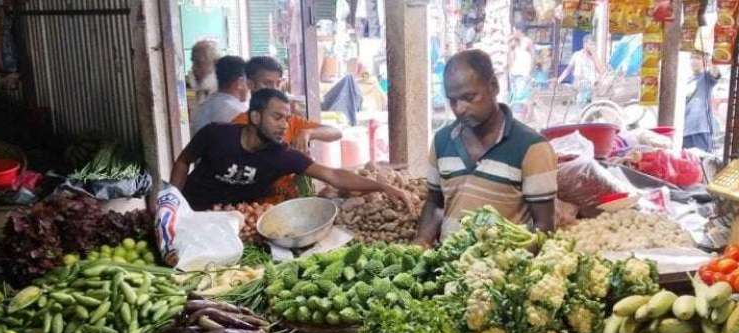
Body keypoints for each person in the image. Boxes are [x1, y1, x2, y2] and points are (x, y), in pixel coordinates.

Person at [171, 88, 417, 211]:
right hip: (190, 210)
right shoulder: (216, 134)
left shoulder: (281, 156)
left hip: (230, 220)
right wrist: (172, 201)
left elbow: (333, 175)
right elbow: (183, 161)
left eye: (287, 119)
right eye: (277, 117)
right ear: (255, 117)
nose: (284, 125)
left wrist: (383, 186)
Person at [414, 50, 558, 245]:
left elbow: (543, 225)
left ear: (493, 86)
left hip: (503, 270)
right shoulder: (442, 141)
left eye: (469, 97)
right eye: (452, 100)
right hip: (447, 268)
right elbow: (435, 203)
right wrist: (421, 242)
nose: (459, 108)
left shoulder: (532, 147)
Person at [232, 56, 341, 152]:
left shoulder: (289, 120)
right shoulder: (239, 125)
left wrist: (309, 132)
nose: (275, 89)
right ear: (250, 85)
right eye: (267, 83)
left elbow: (336, 132)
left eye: (278, 83)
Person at [191, 55, 249, 133]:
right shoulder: (239, 113)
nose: (249, 87)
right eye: (248, 82)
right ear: (240, 82)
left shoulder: (203, 107)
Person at [683, 52, 721, 153]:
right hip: (685, 129)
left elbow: (715, 72)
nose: (694, 61)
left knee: (701, 161)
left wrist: (711, 62)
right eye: (692, 58)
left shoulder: (706, 77)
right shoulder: (687, 80)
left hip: (700, 129)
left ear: (704, 61)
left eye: (698, 58)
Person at [556, 35, 604, 106]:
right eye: (590, 44)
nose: (592, 46)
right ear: (585, 44)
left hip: (590, 88)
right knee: (579, 104)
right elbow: (568, 70)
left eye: (593, 44)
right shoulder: (577, 55)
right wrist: (558, 80)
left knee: (586, 105)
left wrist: (594, 55)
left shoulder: (594, 57)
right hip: (578, 85)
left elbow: (601, 71)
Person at [186, 40, 220, 108]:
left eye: (198, 63)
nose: (193, 68)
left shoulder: (224, 90)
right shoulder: (187, 86)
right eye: (193, 62)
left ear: (215, 63)